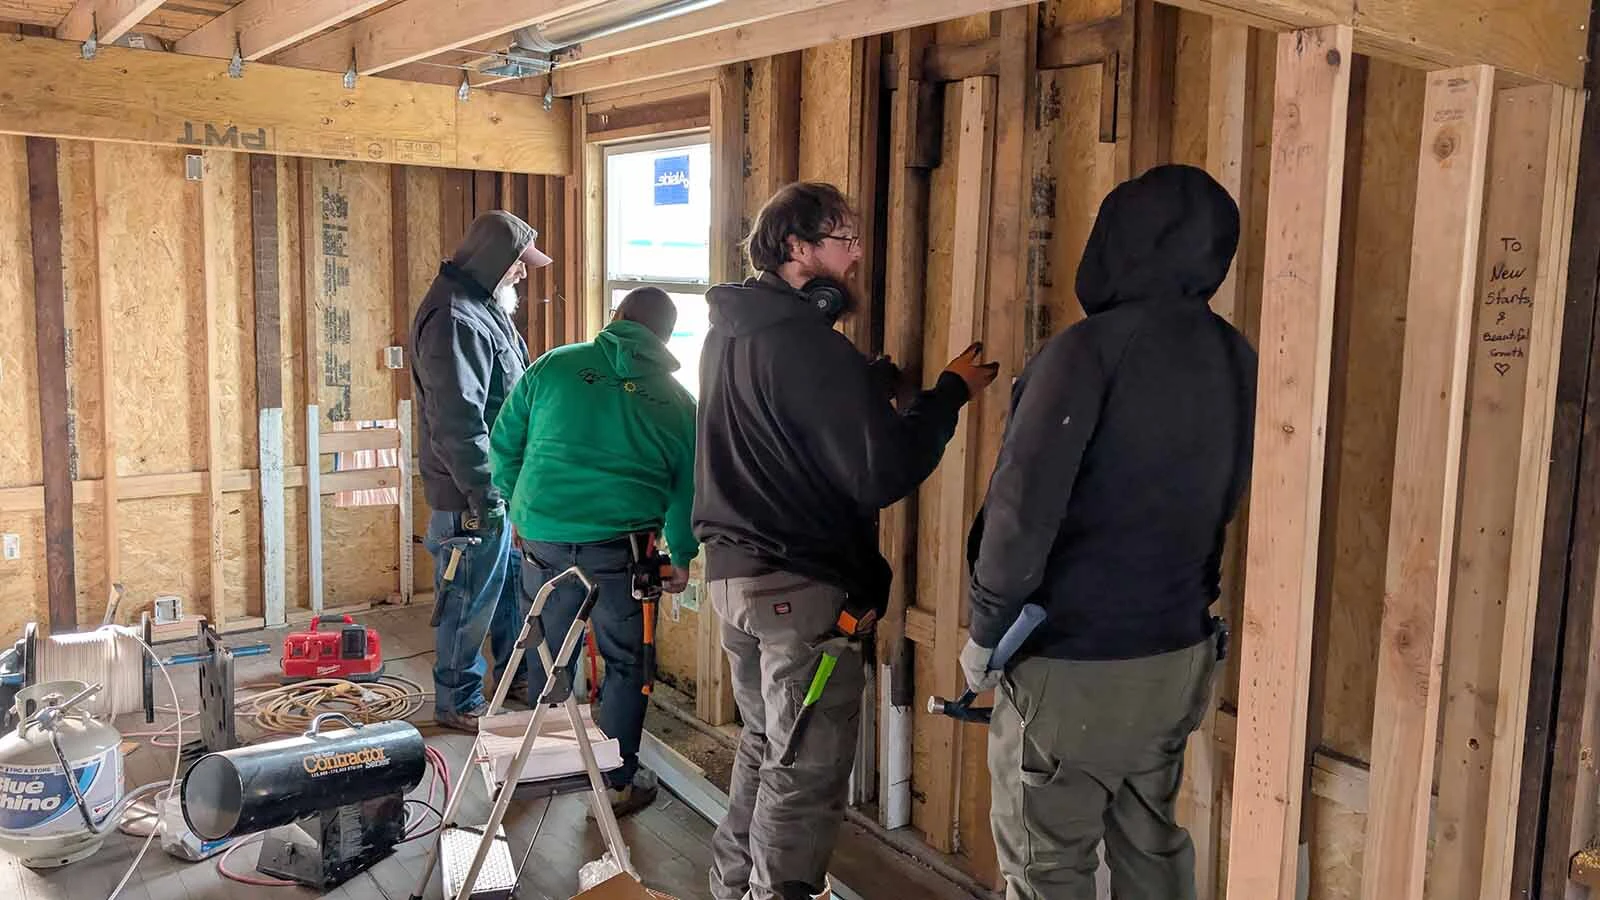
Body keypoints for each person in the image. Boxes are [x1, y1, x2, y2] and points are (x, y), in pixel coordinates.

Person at [694, 181, 1000, 900]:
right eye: (843, 238)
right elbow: (880, 473)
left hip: (734, 579)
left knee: (768, 747)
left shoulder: (729, 333)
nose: (857, 254)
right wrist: (947, 396)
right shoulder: (809, 347)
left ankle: (733, 887)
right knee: (806, 773)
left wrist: (862, 390)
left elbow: (776, 423)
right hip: (800, 594)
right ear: (797, 249)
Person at [962, 163, 1257, 900]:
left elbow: (1022, 511)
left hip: (1077, 665)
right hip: (1178, 653)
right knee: (1150, 843)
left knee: (1047, 863)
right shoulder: (1238, 358)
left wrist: (985, 629)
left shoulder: (1086, 353)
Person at [487, 286, 696, 818]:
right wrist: (684, 556)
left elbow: (504, 444)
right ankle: (616, 780)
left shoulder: (555, 366)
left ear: (617, 318)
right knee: (627, 664)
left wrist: (519, 505)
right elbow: (686, 492)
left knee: (550, 654)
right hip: (621, 555)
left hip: (542, 539)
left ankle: (551, 766)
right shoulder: (678, 403)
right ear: (666, 338)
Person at [412, 210, 553, 733]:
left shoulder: (481, 306)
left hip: (498, 488)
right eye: (519, 264)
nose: (523, 273)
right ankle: (458, 699)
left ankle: (514, 677)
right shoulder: (455, 319)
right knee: (467, 595)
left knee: (505, 588)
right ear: (496, 261)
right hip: (471, 495)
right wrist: (485, 497)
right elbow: (459, 421)